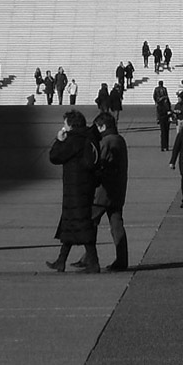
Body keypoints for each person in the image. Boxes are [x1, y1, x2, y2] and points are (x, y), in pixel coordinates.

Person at [71, 112, 128, 272]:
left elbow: (96, 163)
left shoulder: (107, 141)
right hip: (118, 190)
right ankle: (121, 260)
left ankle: (90, 259)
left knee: (89, 222)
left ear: (102, 126)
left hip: (103, 192)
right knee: (116, 225)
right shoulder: (119, 139)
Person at [46, 110, 101, 273]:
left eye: (65, 124)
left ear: (71, 125)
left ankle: (94, 262)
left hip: (75, 188)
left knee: (81, 224)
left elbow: (55, 157)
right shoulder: (89, 137)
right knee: (71, 223)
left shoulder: (73, 139)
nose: (64, 127)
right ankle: (61, 260)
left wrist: (59, 140)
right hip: (85, 186)